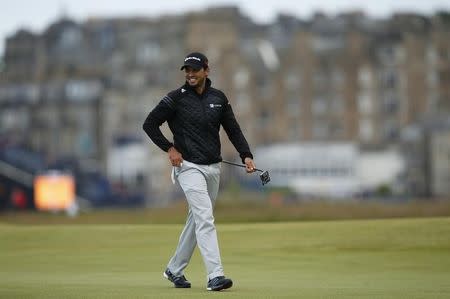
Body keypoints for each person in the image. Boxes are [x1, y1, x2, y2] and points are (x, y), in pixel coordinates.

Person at [143, 52, 256, 291]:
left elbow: (233, 130)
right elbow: (150, 124)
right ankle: (215, 276)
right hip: (188, 167)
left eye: (195, 70)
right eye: (187, 70)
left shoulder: (219, 98)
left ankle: (174, 269)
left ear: (207, 70)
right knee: (205, 218)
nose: (190, 74)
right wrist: (170, 148)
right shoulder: (175, 99)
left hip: (213, 168)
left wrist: (246, 154)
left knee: (196, 220)